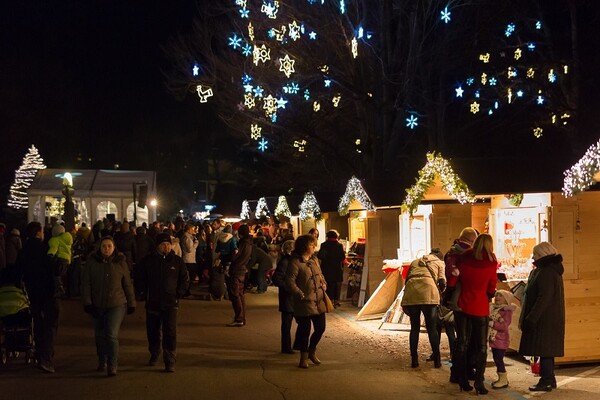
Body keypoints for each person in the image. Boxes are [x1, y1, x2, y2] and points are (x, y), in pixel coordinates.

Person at [81, 236, 136, 377]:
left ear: (114, 247)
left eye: (109, 246)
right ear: (99, 247)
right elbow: (86, 283)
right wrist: (87, 302)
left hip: (116, 304)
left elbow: (127, 284)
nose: (106, 249)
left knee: (111, 335)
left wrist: (131, 303)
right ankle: (102, 359)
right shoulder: (92, 262)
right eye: (104, 246)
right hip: (97, 304)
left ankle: (113, 364)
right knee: (99, 335)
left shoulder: (120, 262)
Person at [135, 233, 189, 372]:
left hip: (171, 302)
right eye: (163, 244)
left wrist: (179, 293)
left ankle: (170, 359)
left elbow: (184, 279)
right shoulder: (148, 261)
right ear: (158, 246)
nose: (166, 247)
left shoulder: (177, 261)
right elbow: (139, 278)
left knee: (170, 331)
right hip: (153, 301)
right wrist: (141, 292)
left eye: (168, 244)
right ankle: (154, 352)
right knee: (152, 331)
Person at [453, 233, 498, 394]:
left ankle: (462, 379)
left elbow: (454, 279)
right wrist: (489, 293)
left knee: (462, 343)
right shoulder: (491, 261)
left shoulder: (464, 258)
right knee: (481, 347)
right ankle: (479, 381)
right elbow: (492, 285)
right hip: (479, 306)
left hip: (462, 304)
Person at [519, 242, 565, 392]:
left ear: (542, 255)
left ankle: (545, 380)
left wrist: (532, 317)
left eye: (536, 254)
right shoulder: (548, 270)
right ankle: (549, 379)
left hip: (544, 319)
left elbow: (543, 297)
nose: (533, 257)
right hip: (548, 318)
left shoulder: (546, 272)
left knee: (544, 349)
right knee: (546, 349)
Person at [16, 222, 60, 373]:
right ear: (39, 233)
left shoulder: (23, 251)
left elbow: (18, 272)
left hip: (32, 292)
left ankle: (40, 352)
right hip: (47, 291)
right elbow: (52, 270)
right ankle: (46, 356)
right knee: (49, 324)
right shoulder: (45, 248)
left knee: (38, 324)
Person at [285, 234, 328, 369]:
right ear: (304, 247)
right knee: (305, 330)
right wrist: (299, 293)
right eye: (311, 245)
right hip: (304, 301)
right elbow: (289, 281)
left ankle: (312, 351)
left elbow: (320, 274)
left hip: (318, 300)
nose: (314, 247)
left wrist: (323, 283)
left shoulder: (314, 260)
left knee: (320, 328)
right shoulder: (295, 262)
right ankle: (303, 357)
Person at [401, 248, 446, 368]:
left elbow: (407, 279)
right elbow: (442, 282)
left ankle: (414, 360)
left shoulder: (415, 261)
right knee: (432, 329)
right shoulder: (439, 262)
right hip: (429, 292)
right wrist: (441, 294)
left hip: (412, 291)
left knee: (414, 328)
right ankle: (437, 360)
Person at [443, 227, 478, 380]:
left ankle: (457, 371)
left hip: (457, 300)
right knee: (468, 338)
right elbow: (454, 277)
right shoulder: (470, 254)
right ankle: (466, 370)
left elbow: (450, 278)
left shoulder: (451, 252)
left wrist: (448, 296)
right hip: (468, 299)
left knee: (461, 337)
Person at [226, 224, 253, 327]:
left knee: (235, 294)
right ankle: (242, 318)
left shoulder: (242, 243)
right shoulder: (249, 243)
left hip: (236, 270)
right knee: (240, 294)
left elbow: (234, 256)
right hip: (243, 270)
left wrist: (228, 256)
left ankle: (239, 318)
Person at [488, 290, 516, 389]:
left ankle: (503, 379)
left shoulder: (506, 311)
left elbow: (504, 326)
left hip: (501, 340)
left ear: (506, 299)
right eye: (496, 295)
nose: (497, 297)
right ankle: (502, 378)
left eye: (500, 295)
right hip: (495, 339)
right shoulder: (494, 308)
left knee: (498, 359)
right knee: (496, 358)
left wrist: (492, 324)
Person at [272, 240, 295, 354]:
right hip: (288, 298)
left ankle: (295, 346)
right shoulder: (285, 262)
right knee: (287, 324)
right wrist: (289, 288)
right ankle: (286, 347)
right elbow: (277, 279)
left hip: (293, 298)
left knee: (300, 323)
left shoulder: (292, 261)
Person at [317, 230, 346, 308]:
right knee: (336, 285)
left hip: (326, 268)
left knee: (328, 285)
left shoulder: (323, 245)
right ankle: (336, 301)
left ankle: (328, 301)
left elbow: (320, 256)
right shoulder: (339, 245)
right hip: (336, 268)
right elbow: (342, 257)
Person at [47, 223, 73, 297]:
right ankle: (65, 290)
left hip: (60, 259)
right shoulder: (67, 239)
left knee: (56, 274)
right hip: (67, 260)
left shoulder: (55, 239)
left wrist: (50, 254)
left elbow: (53, 248)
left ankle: (60, 289)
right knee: (63, 275)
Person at [181, 222, 199, 297]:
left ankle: (186, 291)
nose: (193, 230)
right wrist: (196, 243)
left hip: (189, 259)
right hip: (189, 260)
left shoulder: (188, 237)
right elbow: (190, 249)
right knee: (189, 277)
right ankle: (186, 291)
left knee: (189, 277)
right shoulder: (187, 238)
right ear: (188, 230)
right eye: (192, 229)